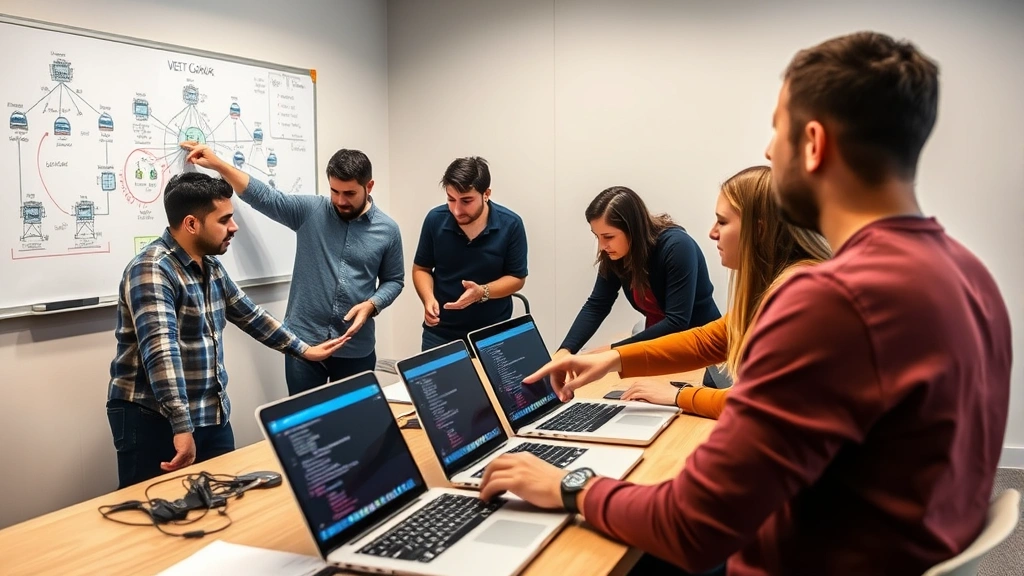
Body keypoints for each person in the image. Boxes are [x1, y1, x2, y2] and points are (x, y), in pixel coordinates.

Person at [479, 31, 1011, 576]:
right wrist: (613, 358)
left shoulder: (834, 302)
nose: (767, 152)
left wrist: (570, 485)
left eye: (776, 129)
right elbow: (722, 334)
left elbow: (693, 526)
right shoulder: (968, 273)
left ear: (813, 143)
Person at [107, 172, 345, 488]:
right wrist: (181, 425)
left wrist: (303, 349)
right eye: (224, 220)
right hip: (155, 418)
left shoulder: (210, 266)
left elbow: (250, 314)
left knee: (224, 500)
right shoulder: (152, 269)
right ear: (191, 224)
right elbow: (161, 352)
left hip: (209, 413)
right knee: (157, 507)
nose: (234, 227)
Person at [544, 166, 831, 420]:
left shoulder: (799, 294)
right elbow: (709, 340)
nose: (712, 233)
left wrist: (679, 395)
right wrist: (609, 358)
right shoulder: (785, 285)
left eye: (722, 222)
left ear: (759, 230)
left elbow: (756, 403)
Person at [182, 143, 404, 396]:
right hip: (303, 343)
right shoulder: (311, 211)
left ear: (369, 186)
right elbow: (264, 197)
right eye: (334, 191)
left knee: (355, 415)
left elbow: (394, 280)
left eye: (350, 193)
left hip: (356, 348)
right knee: (304, 417)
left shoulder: (388, 230)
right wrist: (218, 164)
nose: (340, 201)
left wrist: (372, 305)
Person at [556, 186, 720, 356]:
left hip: (705, 347)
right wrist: (565, 350)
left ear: (633, 229)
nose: (602, 246)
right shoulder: (616, 255)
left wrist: (612, 351)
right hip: (660, 346)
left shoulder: (677, 247)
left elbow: (676, 322)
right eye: (597, 236)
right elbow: (597, 305)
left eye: (608, 237)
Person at [412, 156, 528, 350]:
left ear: (486, 194)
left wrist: (482, 292)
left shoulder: (511, 224)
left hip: (493, 332)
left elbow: (517, 278)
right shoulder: (435, 220)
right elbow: (421, 269)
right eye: (451, 199)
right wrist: (428, 298)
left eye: (466, 201)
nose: (457, 210)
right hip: (440, 333)